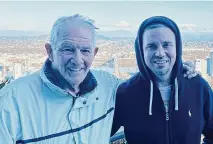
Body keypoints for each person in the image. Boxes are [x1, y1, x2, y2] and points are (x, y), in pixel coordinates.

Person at [0, 14, 197, 144]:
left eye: (85, 50)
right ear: (50, 51)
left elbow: (148, 87)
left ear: (94, 53)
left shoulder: (110, 87)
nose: (77, 60)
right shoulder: (12, 102)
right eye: (68, 49)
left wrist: (178, 69)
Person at [111, 16, 213, 144]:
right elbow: (97, 133)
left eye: (166, 45)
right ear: (141, 51)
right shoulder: (125, 93)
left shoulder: (198, 88)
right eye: (151, 46)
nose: (160, 53)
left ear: (177, 48)